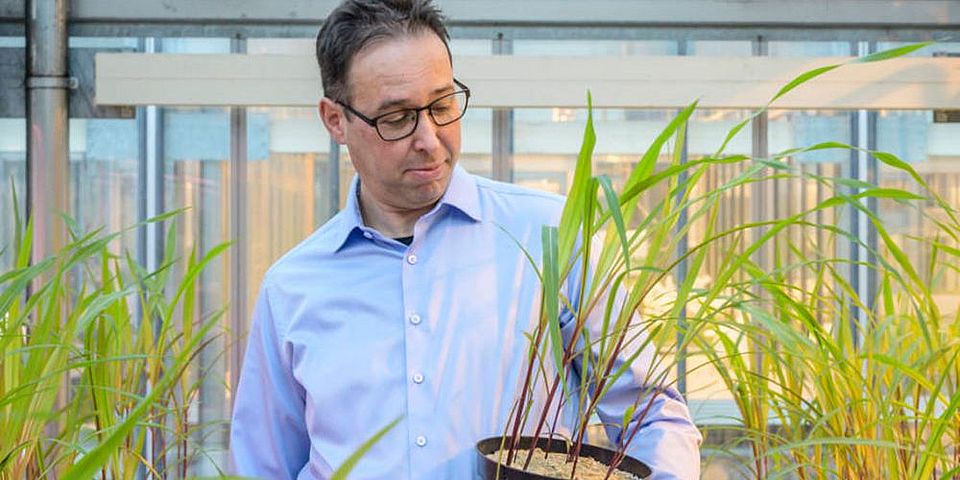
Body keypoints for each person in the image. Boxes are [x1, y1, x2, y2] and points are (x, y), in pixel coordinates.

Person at [228, 0, 702, 478]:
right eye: (396, 119)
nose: (430, 139)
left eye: (442, 105)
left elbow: (653, 414)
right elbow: (262, 465)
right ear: (335, 120)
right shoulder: (293, 286)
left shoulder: (552, 237)